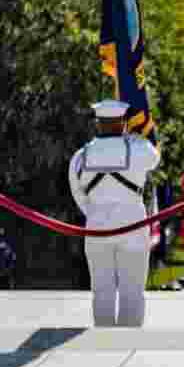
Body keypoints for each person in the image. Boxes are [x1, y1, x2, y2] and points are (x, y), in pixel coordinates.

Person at [69, 100, 161, 327]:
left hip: (97, 226)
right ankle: (128, 339)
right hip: (133, 223)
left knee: (101, 290)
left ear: (98, 124)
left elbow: (78, 193)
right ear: (123, 123)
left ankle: (104, 339)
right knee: (133, 290)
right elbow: (155, 158)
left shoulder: (81, 156)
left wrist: (96, 213)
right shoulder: (139, 148)